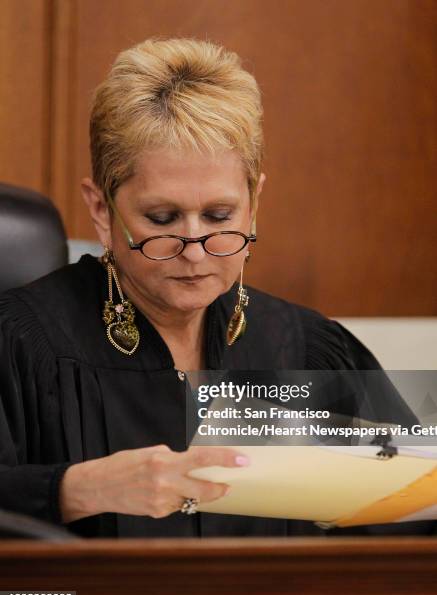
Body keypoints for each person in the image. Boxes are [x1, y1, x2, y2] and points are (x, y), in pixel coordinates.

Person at [0, 37, 433, 539]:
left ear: (256, 200)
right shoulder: (20, 343)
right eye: (162, 218)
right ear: (101, 210)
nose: (196, 250)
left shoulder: (308, 349)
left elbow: (416, 515)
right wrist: (72, 489)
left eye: (219, 216)